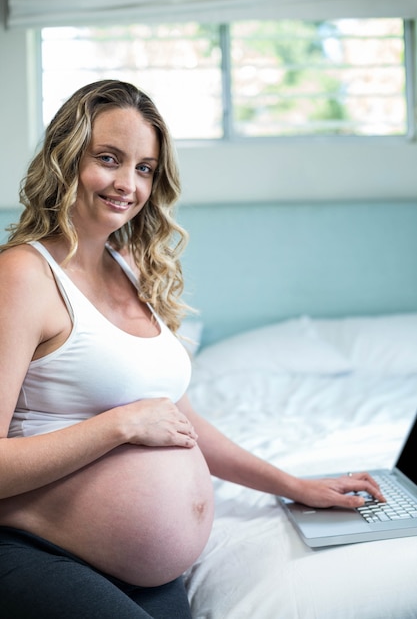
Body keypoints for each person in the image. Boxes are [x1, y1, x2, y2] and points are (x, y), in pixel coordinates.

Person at [0, 79, 384, 618]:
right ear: (66, 160)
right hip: (37, 554)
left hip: (141, 574)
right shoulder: (22, 274)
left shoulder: (129, 264)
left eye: (144, 167)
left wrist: (292, 484)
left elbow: (174, 417)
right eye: (108, 158)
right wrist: (120, 425)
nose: (127, 183)